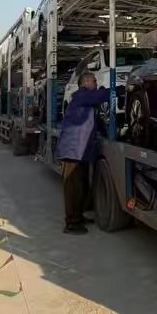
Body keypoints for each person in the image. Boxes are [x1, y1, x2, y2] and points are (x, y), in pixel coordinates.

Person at [57, 72, 109, 235]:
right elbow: (100, 96)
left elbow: (98, 123)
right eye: (94, 81)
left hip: (81, 151)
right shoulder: (81, 95)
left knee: (83, 186)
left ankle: (78, 217)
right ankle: (72, 223)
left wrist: (112, 135)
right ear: (85, 83)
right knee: (74, 188)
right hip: (73, 150)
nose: (96, 83)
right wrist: (119, 89)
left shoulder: (87, 103)